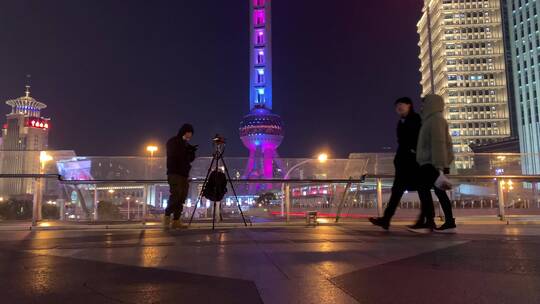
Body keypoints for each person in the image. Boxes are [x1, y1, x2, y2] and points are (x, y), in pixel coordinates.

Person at [369, 97, 432, 230]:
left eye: (401, 105)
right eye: (397, 106)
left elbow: (419, 138)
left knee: (422, 190)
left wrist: (414, 151)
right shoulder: (401, 122)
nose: (398, 108)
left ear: (409, 105)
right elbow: (401, 141)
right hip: (404, 163)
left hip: (415, 163)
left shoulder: (416, 119)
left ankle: (426, 220)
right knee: (398, 190)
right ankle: (386, 219)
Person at [408, 94, 457, 234]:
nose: (423, 106)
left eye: (425, 103)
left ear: (432, 104)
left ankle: (431, 221)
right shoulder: (431, 120)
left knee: (425, 189)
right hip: (431, 162)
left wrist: (440, 166)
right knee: (437, 191)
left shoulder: (435, 120)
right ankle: (444, 221)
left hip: (432, 163)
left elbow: (439, 143)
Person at [163, 123, 197, 230]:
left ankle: (176, 221)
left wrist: (191, 153)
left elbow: (189, 160)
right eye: (189, 133)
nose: (190, 136)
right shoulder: (173, 142)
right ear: (185, 131)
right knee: (176, 195)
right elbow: (175, 155)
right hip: (175, 173)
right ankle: (167, 217)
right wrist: (185, 150)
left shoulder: (185, 144)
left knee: (182, 197)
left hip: (184, 174)